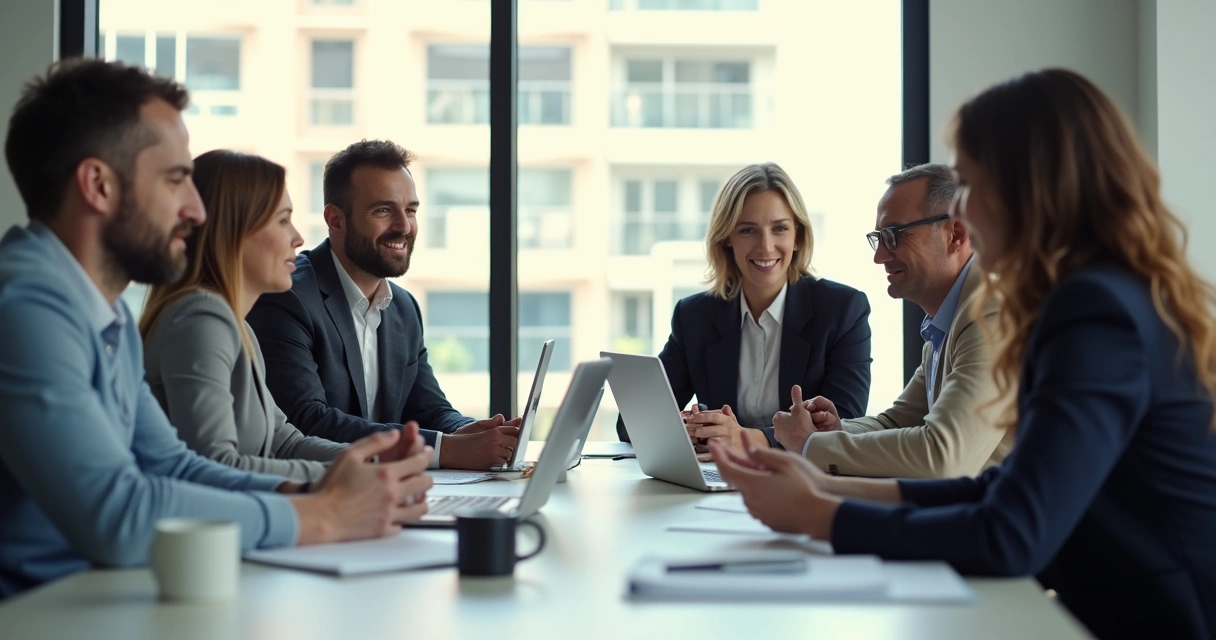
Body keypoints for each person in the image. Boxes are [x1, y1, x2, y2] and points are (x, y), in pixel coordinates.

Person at [711, 69, 1216, 639]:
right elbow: (998, 490)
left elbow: (1010, 531)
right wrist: (820, 485)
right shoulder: (1098, 295)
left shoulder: (1093, 310)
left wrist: (818, 513)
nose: (965, 218)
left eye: (971, 187)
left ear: (1027, 189)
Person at [0, 59, 433, 598]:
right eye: (176, 178)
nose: (197, 210)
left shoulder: (101, 312)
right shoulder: (24, 308)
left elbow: (173, 464)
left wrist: (321, 490)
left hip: (96, 596)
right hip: (38, 610)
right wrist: (320, 515)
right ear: (98, 185)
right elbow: (119, 514)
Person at [246, 140, 520, 471]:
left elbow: (428, 409)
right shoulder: (289, 297)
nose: (404, 227)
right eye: (383, 210)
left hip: (388, 490)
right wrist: (446, 449)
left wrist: (472, 432)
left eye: (411, 210)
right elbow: (306, 421)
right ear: (336, 219)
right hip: (325, 496)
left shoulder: (403, 307)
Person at [771, 164, 1013, 478]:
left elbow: (941, 457)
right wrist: (834, 430)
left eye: (894, 235)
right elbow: (896, 423)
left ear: (956, 234)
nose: (880, 256)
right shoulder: (948, 322)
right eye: (879, 238)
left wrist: (811, 446)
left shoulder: (990, 315)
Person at [618, 162, 872, 451]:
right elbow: (629, 425)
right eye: (748, 230)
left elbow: (845, 422)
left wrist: (748, 439)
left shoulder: (842, 310)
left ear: (798, 236)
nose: (765, 246)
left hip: (804, 480)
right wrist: (686, 428)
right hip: (721, 477)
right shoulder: (695, 317)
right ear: (727, 237)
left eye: (779, 229)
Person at [140, 150, 346, 483]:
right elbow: (215, 464)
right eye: (283, 220)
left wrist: (375, 459)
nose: (298, 237)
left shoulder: (237, 325)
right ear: (234, 230)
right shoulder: (202, 319)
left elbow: (286, 443)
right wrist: (343, 475)